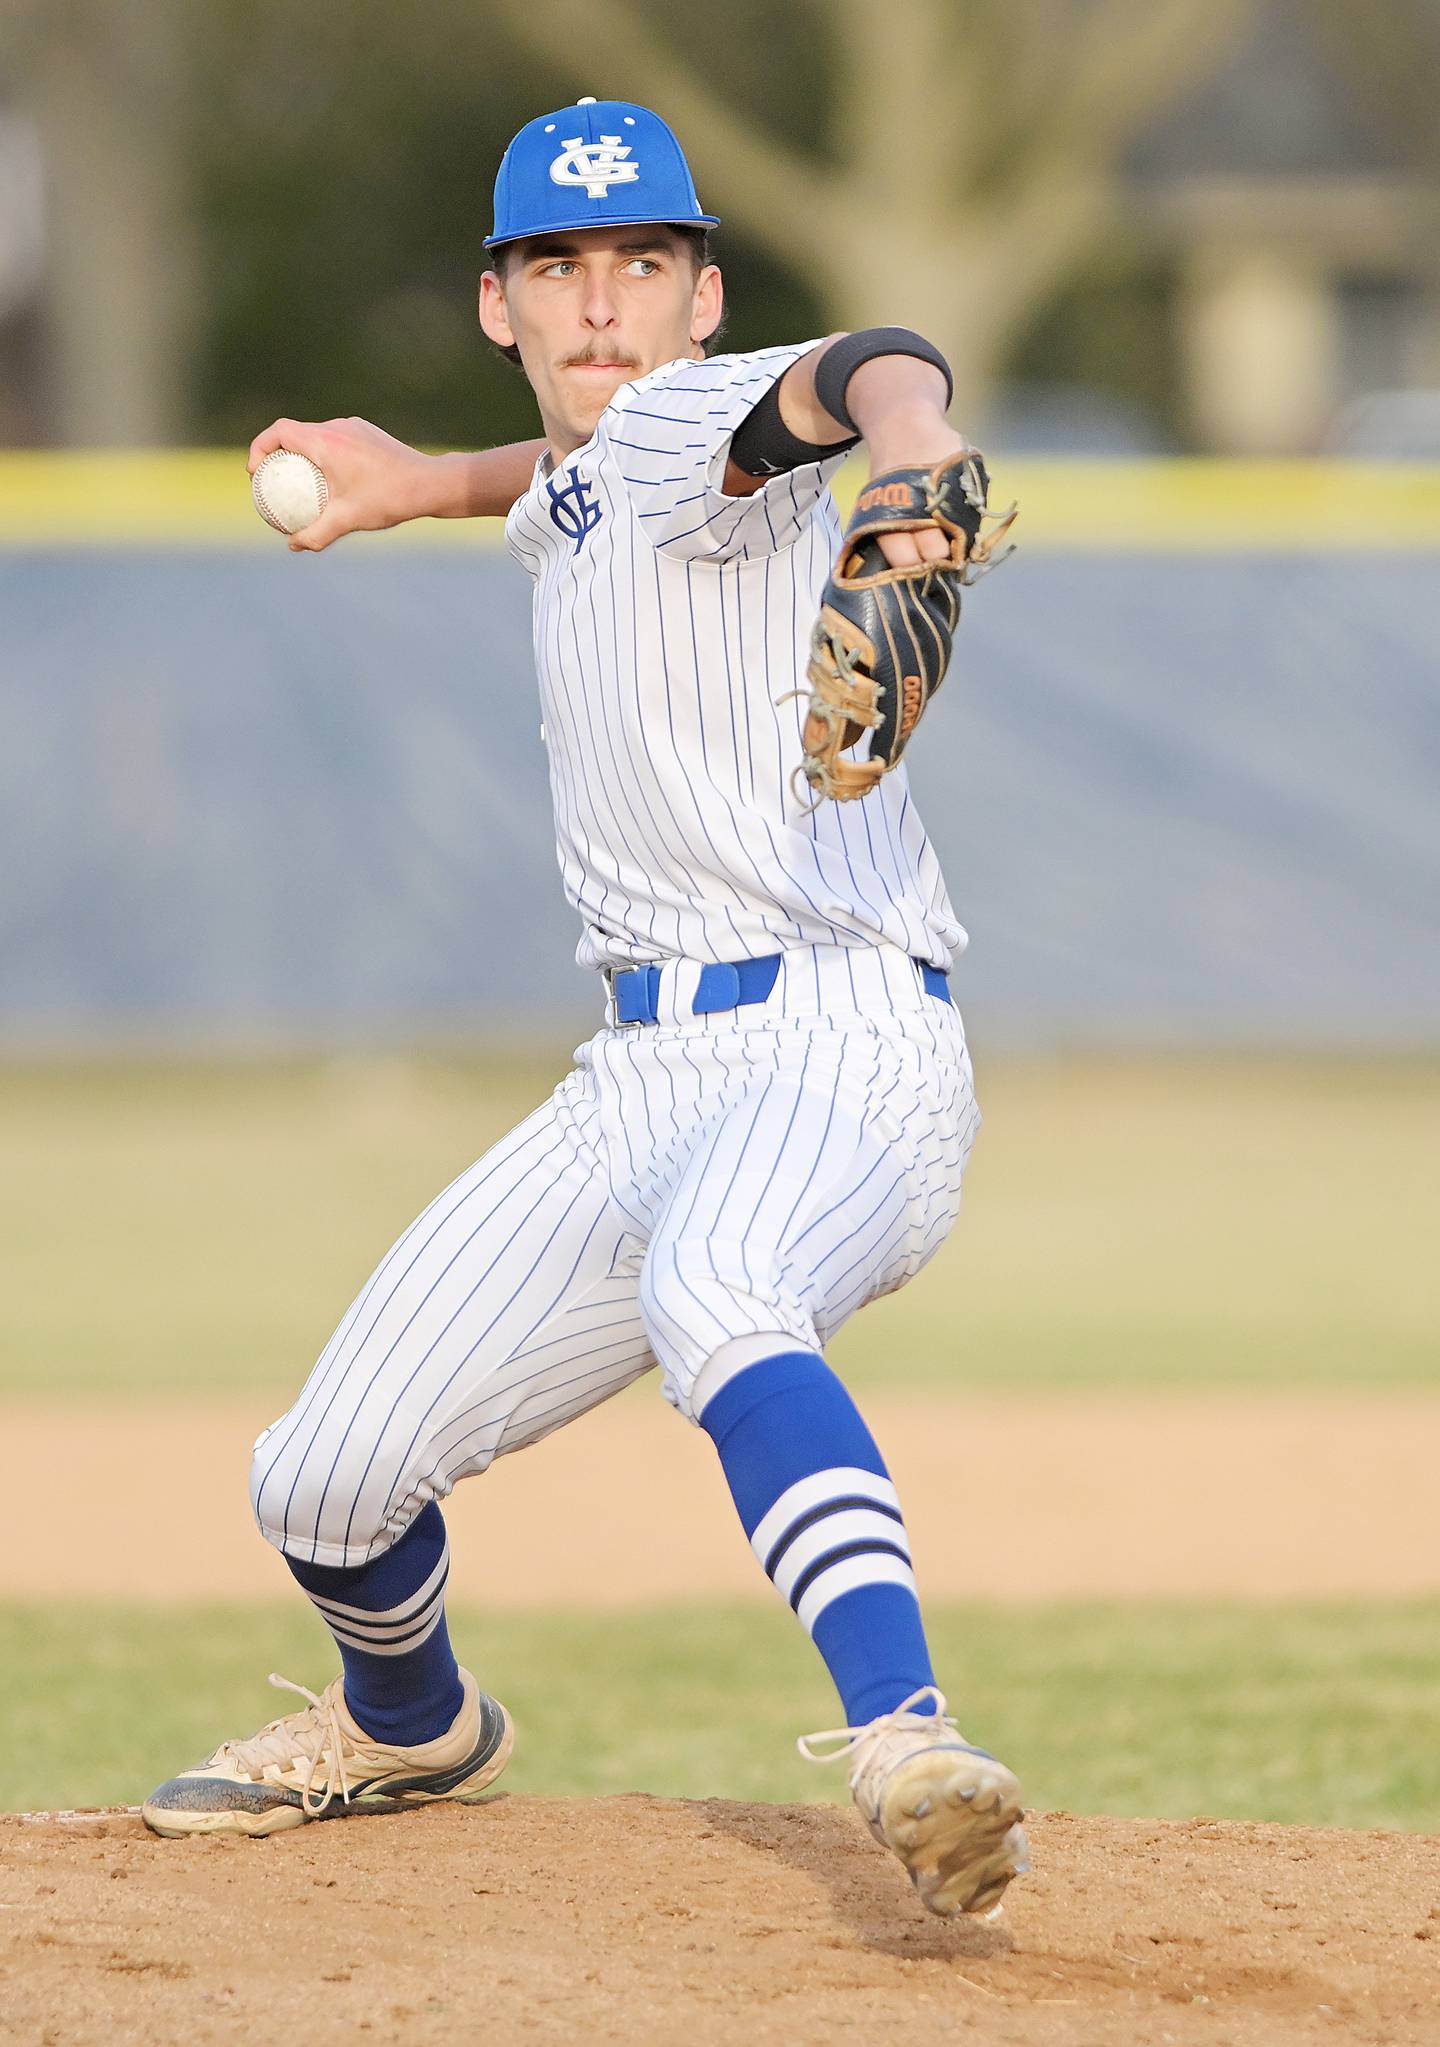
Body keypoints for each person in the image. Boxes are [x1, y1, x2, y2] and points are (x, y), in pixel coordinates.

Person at [142, 96, 1028, 1923]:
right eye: (559, 266)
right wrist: (413, 482)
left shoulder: (708, 414)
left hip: (844, 1043)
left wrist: (917, 445)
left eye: (643, 265)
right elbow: (562, 486)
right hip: (635, 1074)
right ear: (500, 305)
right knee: (320, 1480)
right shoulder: (589, 472)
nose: (602, 303)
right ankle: (411, 1719)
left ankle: (905, 1737)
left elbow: (873, 371)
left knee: (723, 1293)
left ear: (705, 298)